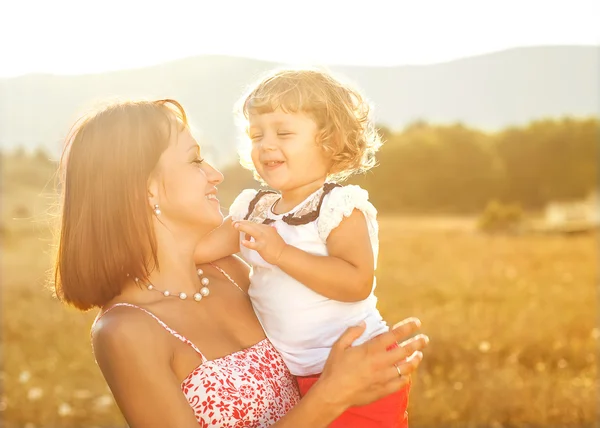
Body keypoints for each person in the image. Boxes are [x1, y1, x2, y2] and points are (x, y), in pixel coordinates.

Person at [53, 98, 428, 428]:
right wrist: (332, 396)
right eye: (195, 160)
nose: (215, 174)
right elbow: (326, 395)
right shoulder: (126, 331)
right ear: (145, 186)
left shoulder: (231, 272)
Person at [193, 68, 411, 427]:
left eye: (284, 133)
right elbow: (200, 251)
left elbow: (356, 283)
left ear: (329, 140)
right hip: (296, 376)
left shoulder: (338, 207)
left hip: (359, 364)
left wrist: (281, 254)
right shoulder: (253, 207)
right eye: (256, 134)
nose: (266, 144)